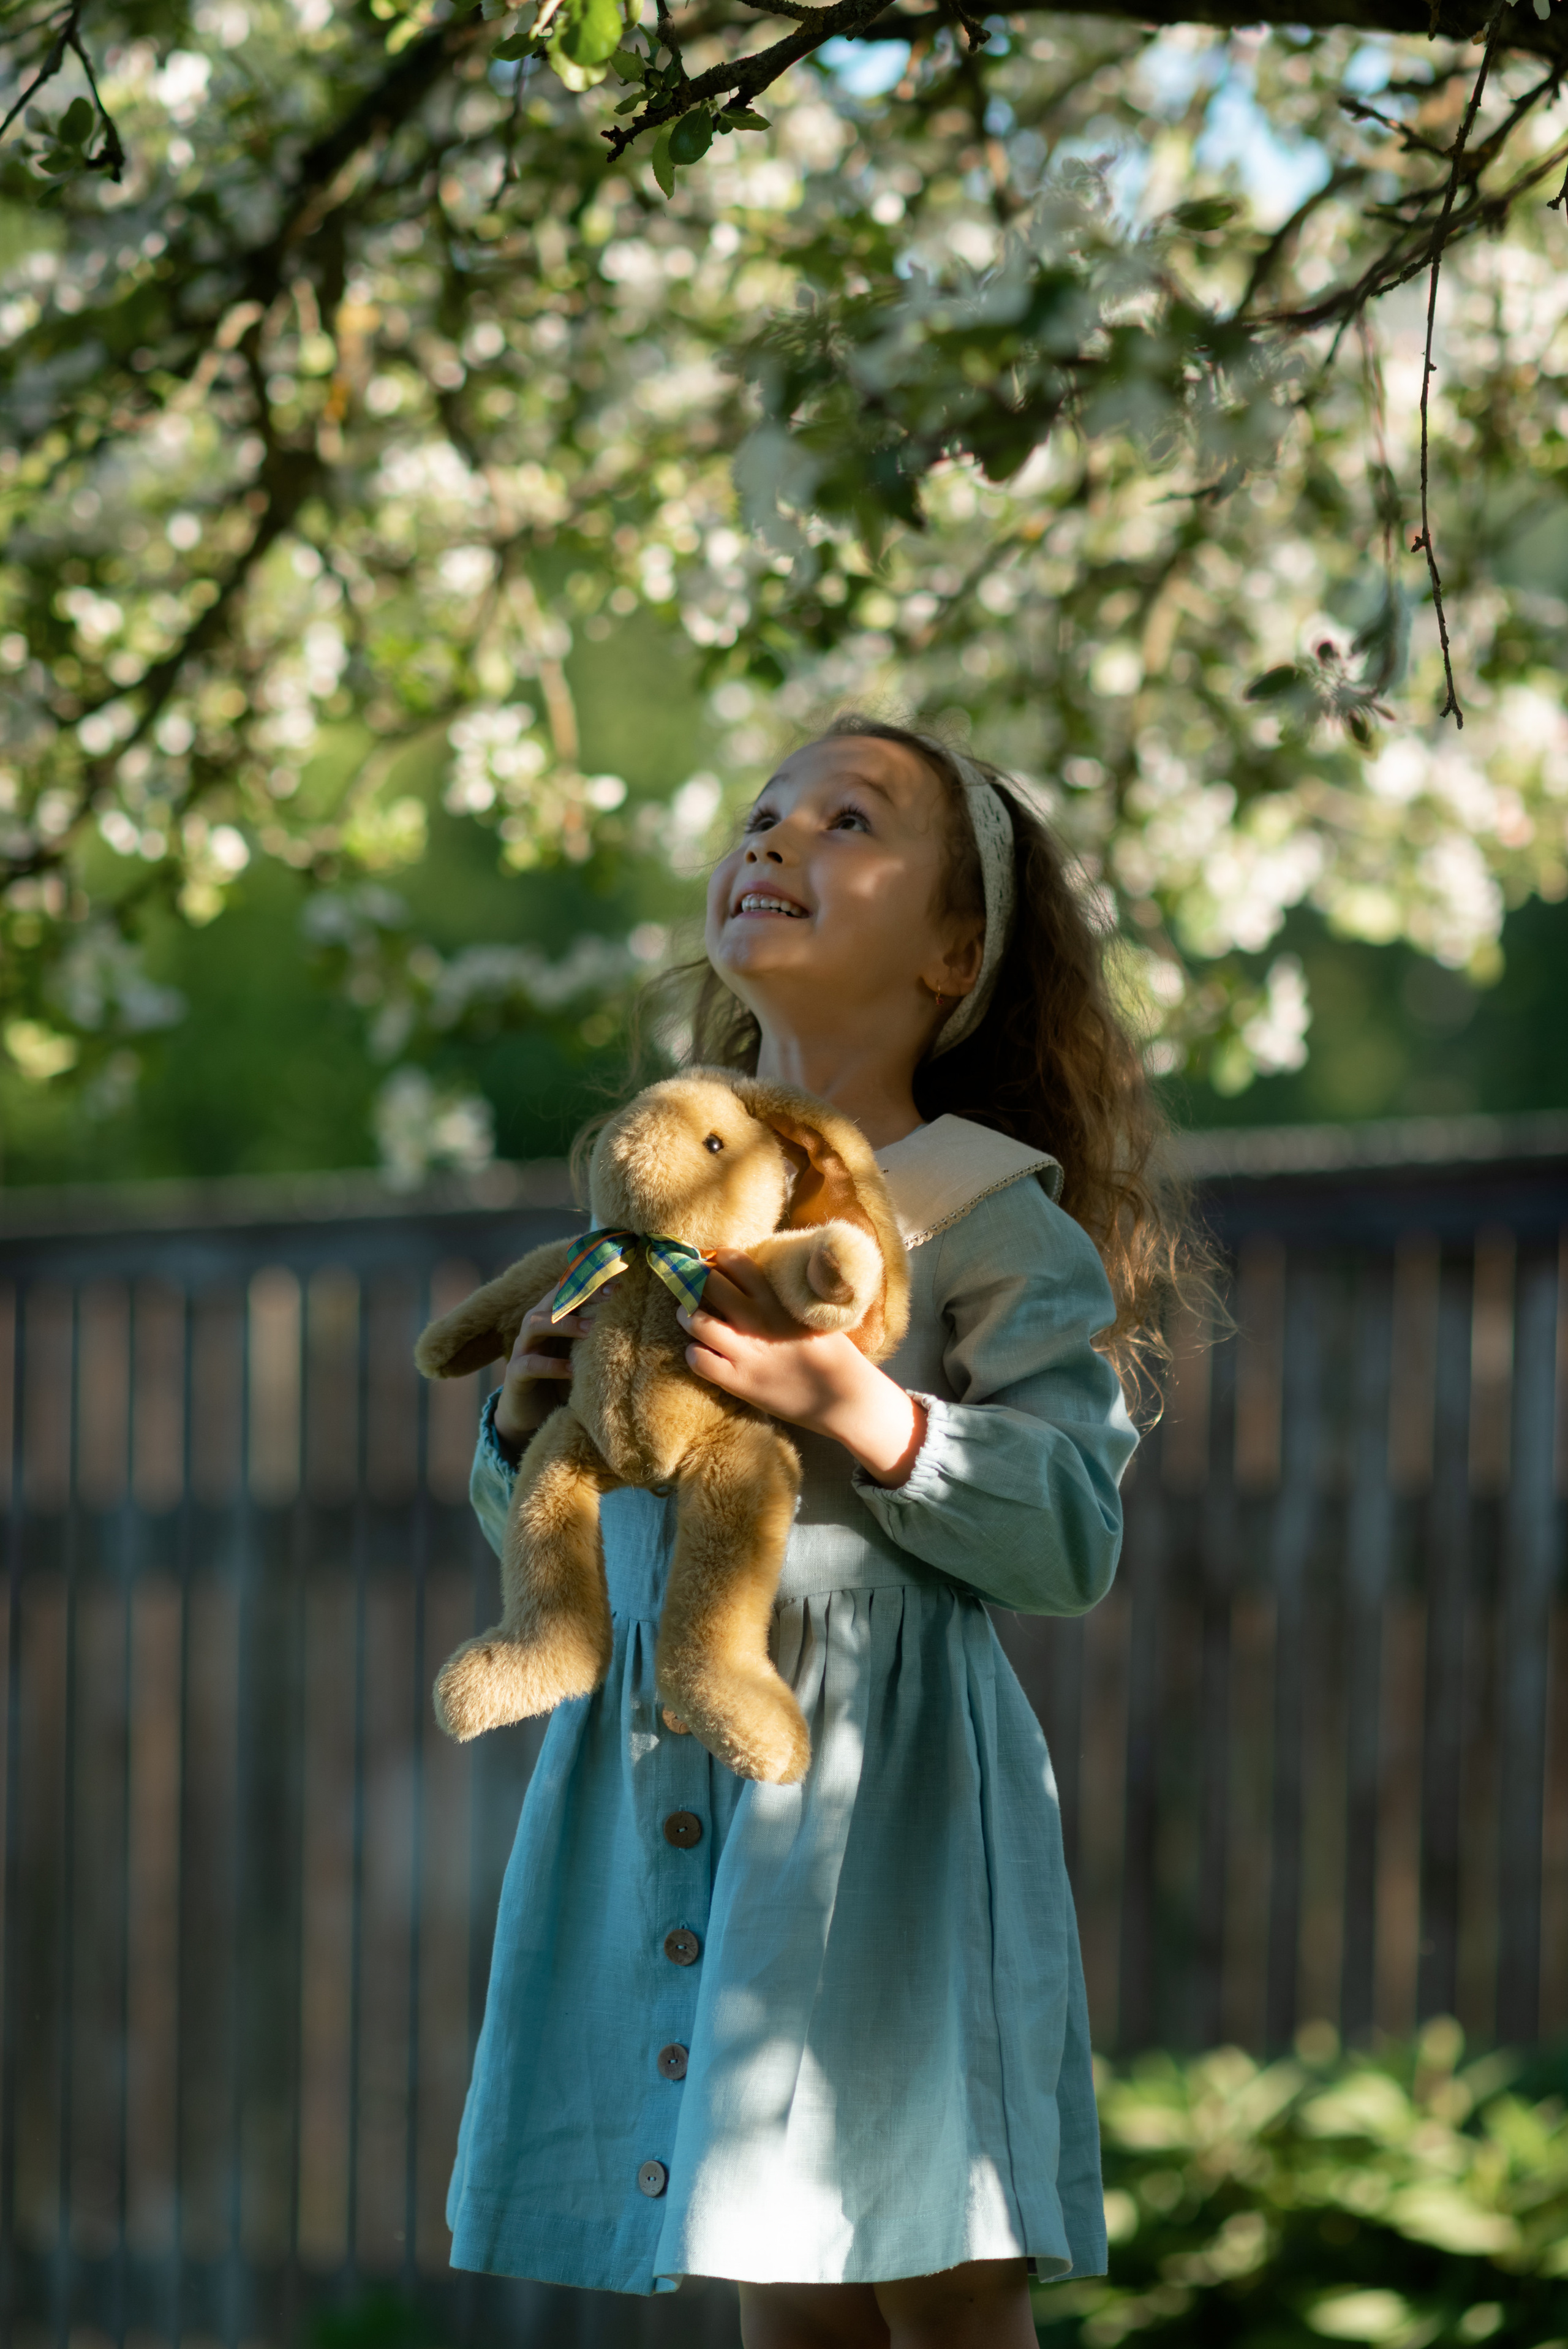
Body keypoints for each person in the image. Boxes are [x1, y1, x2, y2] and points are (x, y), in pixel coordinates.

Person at [446, 715, 1189, 2348]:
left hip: (887, 1807)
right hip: (667, 1759)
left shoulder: (988, 1211)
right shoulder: (659, 1196)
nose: (778, 838)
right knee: (777, 2272)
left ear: (956, 951)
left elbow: (1068, 1531)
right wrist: (522, 1423)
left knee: (933, 2276)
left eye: (849, 820)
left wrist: (859, 1405)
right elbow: (559, 1515)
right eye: (764, 810)